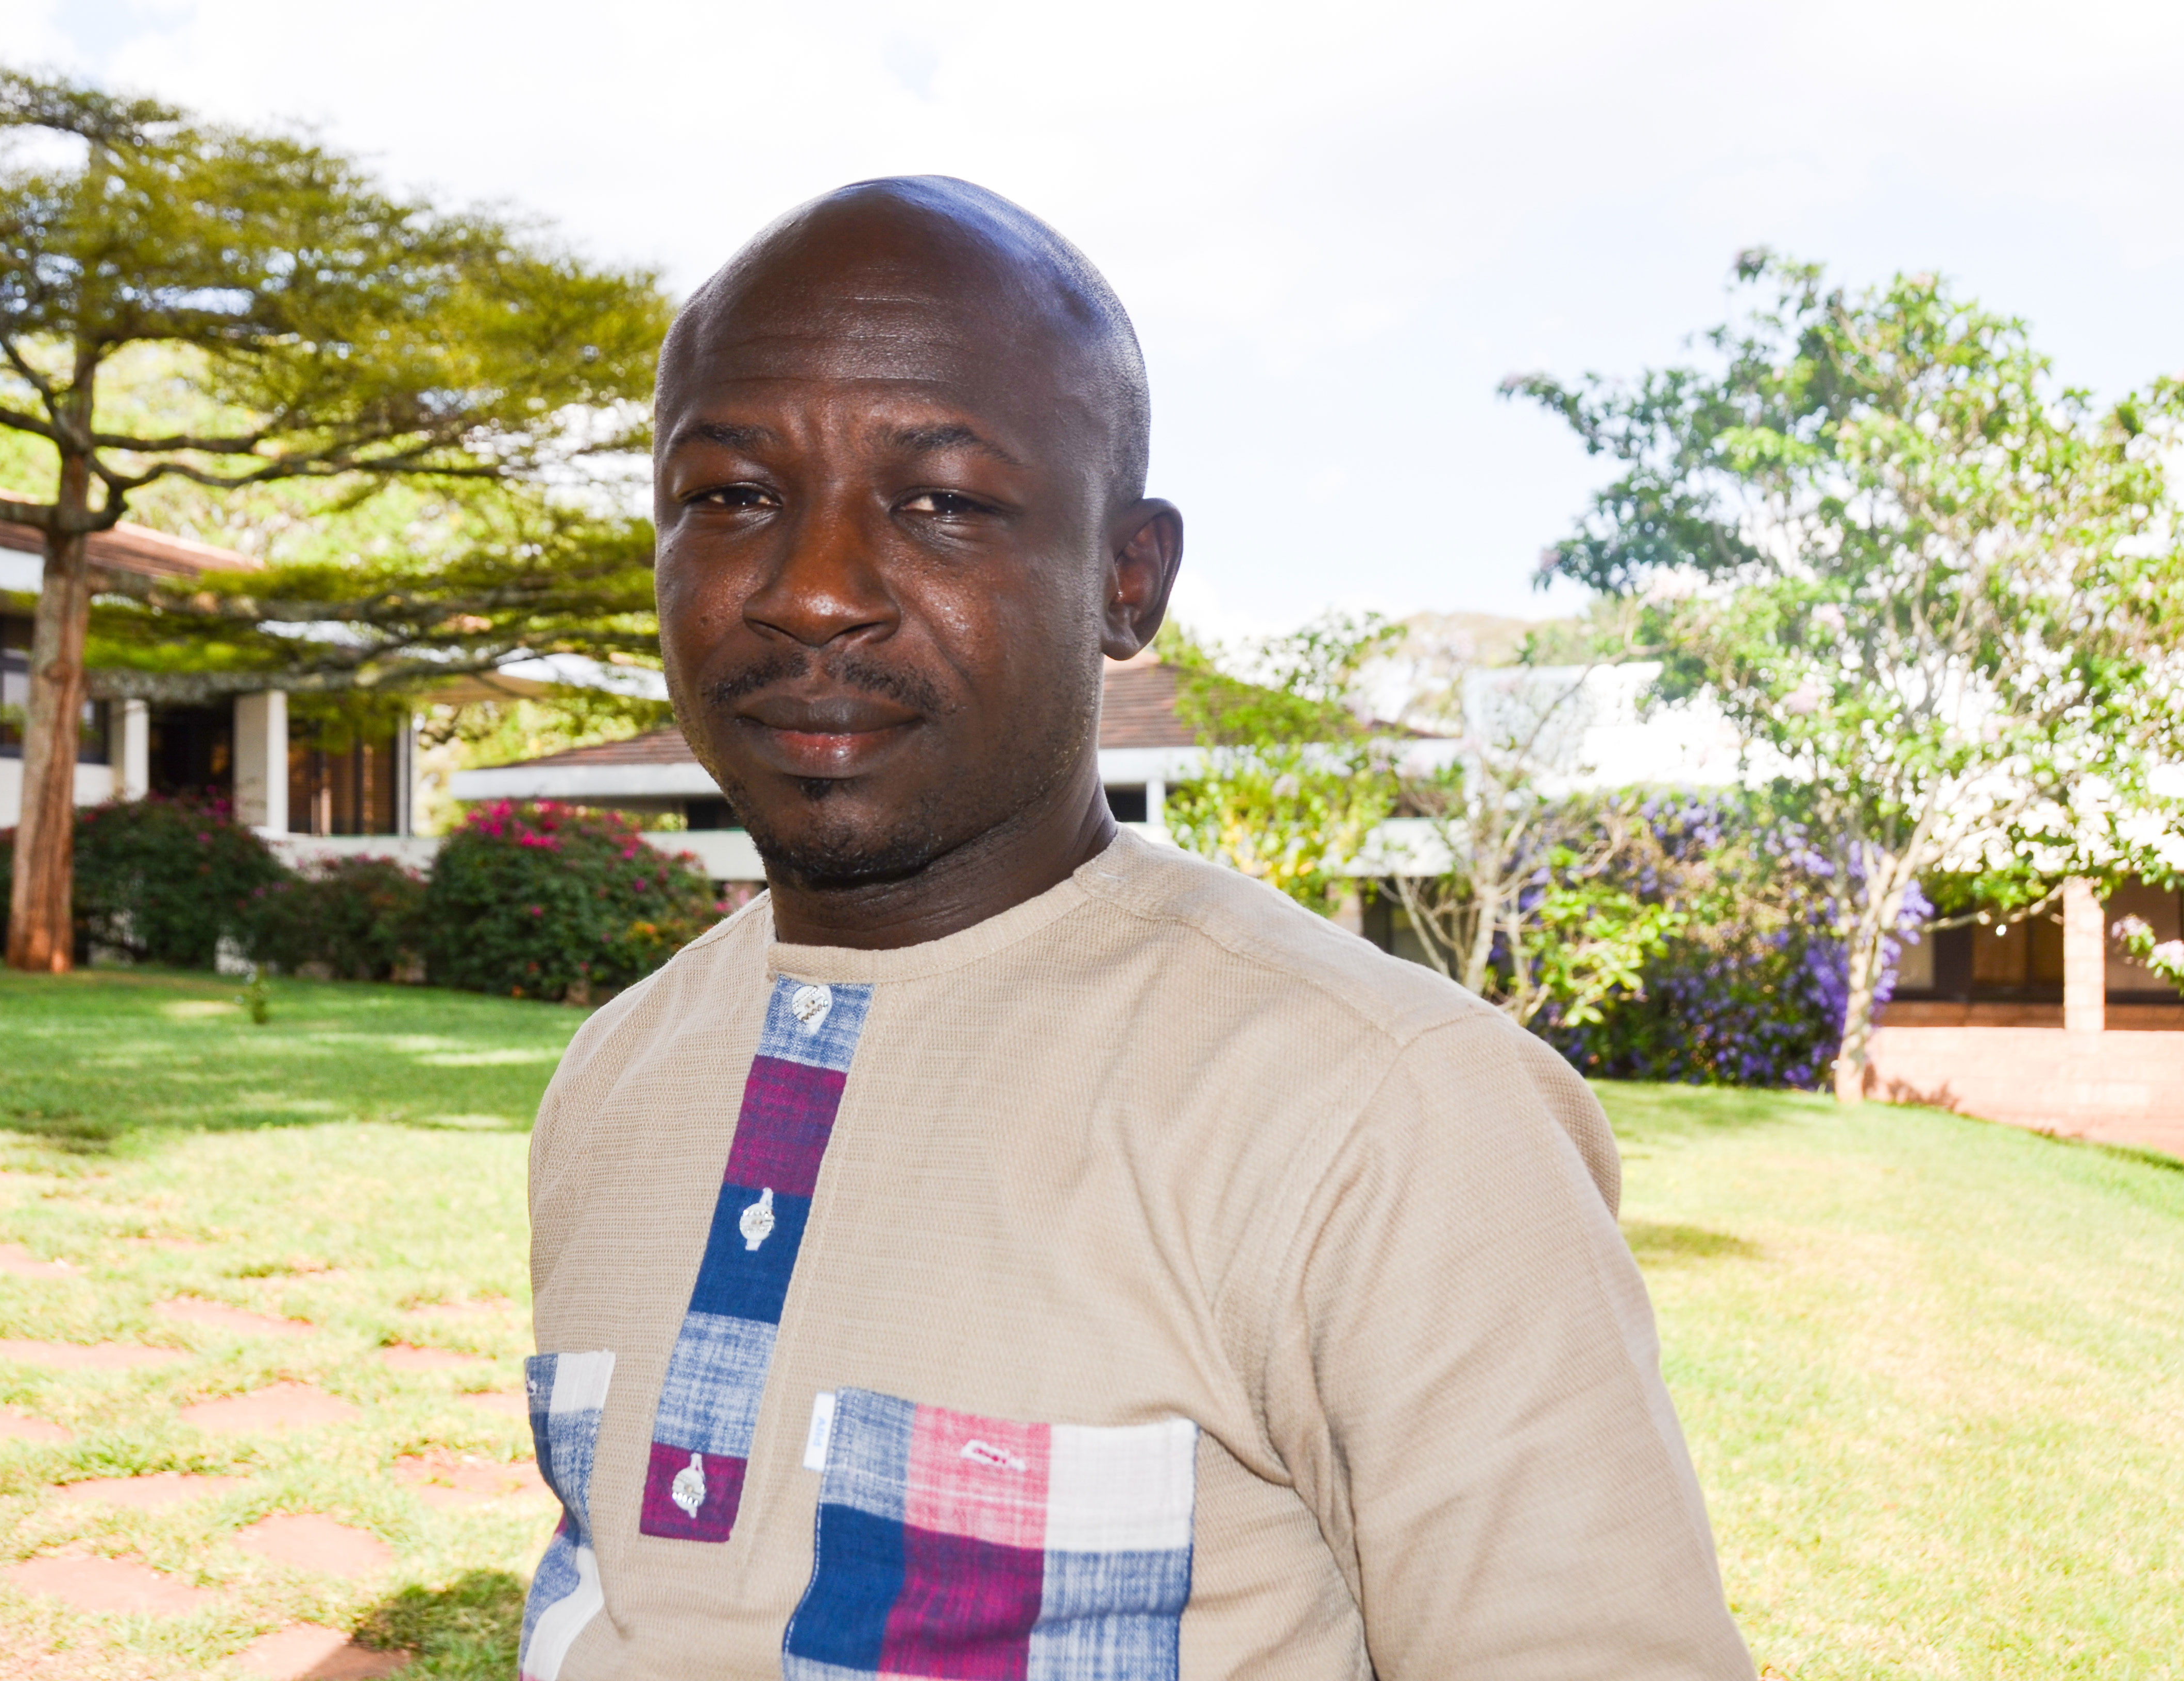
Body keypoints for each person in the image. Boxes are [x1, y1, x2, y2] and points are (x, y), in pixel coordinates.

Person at [518, 175, 1753, 1680]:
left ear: (1126, 578)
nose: (815, 591)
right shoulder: (612, 1079)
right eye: (731, 497)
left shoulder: (1390, 1116)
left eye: (943, 503)